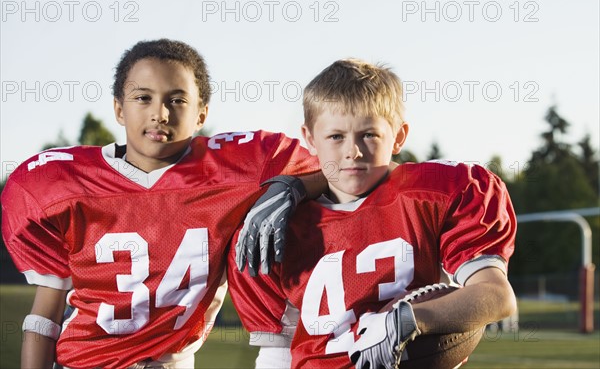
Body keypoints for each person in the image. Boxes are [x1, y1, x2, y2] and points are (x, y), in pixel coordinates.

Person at [1, 38, 320, 368]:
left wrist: (292, 186)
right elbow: (44, 317)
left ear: (201, 114)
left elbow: (341, 169)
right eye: (143, 98)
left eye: (177, 100)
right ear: (119, 109)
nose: (159, 114)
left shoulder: (238, 167)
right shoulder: (64, 182)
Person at [230, 59, 517, 368]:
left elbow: (497, 296)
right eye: (336, 137)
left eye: (369, 134)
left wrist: (409, 321)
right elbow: (278, 350)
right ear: (310, 139)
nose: (353, 151)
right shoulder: (282, 223)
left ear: (398, 136)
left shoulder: (431, 195)